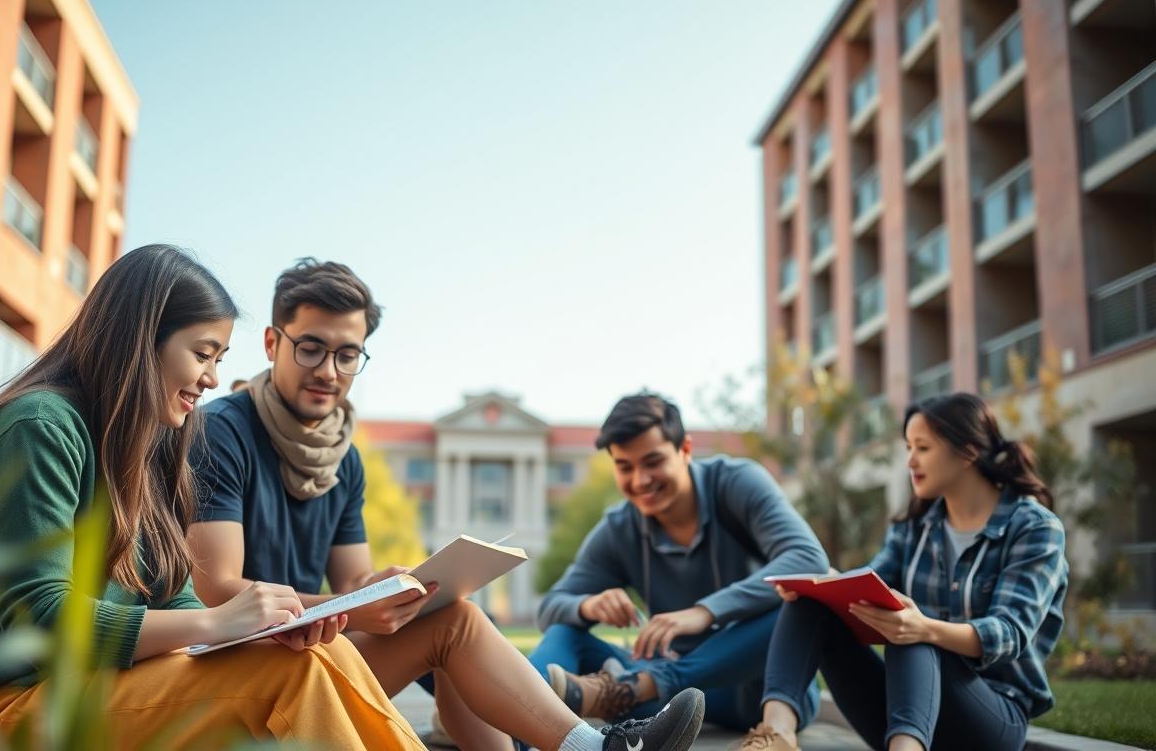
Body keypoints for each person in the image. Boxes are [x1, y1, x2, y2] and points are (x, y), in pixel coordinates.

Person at [0, 245, 424, 749]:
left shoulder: (145, 445)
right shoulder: (40, 426)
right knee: (291, 678)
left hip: (94, 687)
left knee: (330, 656)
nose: (213, 379)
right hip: (3, 707)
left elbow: (170, 593)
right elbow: (41, 617)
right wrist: (215, 620)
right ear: (140, 340)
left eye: (219, 358)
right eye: (202, 354)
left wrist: (253, 631)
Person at [187, 258, 707, 751]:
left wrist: (390, 590)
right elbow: (219, 592)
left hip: (304, 655)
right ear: (273, 342)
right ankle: (593, 747)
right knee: (452, 625)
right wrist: (355, 607)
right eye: (311, 348)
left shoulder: (343, 459)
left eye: (347, 355)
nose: (329, 370)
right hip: (237, 673)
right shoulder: (222, 432)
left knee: (446, 616)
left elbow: (350, 586)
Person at [737, 393, 1068, 751]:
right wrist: (823, 586)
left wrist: (925, 628)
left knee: (913, 632)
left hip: (991, 723)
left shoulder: (1034, 528)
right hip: (905, 716)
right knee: (810, 602)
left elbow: (1010, 632)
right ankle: (775, 737)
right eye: (908, 447)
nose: (910, 460)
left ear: (968, 451)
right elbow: (866, 586)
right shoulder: (915, 526)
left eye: (922, 447)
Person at [531, 392, 827, 731]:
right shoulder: (619, 529)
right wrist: (588, 605)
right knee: (565, 631)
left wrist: (704, 613)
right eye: (625, 467)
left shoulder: (736, 482)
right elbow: (551, 606)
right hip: (676, 697)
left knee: (798, 598)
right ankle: (519, 736)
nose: (641, 480)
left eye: (653, 461)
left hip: (765, 689)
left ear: (685, 450)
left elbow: (810, 559)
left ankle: (639, 686)